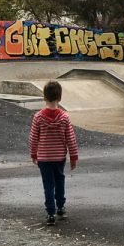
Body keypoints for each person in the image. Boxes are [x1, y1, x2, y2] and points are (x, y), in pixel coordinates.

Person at [29, 80, 79, 225]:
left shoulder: (38, 117)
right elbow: (71, 138)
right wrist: (74, 156)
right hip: (59, 157)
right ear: (60, 98)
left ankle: (50, 213)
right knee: (60, 180)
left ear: (44, 97)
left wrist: (33, 154)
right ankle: (61, 207)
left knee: (48, 184)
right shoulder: (64, 117)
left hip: (44, 158)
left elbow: (33, 138)